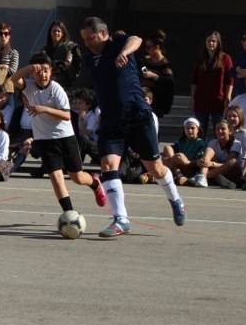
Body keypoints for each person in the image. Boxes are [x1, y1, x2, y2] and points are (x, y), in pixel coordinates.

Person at [79, 16, 185, 237]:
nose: (87, 42)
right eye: (84, 39)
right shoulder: (89, 58)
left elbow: (136, 39)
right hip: (110, 119)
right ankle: (121, 219)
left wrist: (125, 53)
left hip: (137, 115)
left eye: (91, 38)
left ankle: (176, 200)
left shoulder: (117, 42)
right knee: (108, 164)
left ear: (103, 33)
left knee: (154, 168)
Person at [19, 53, 108, 207]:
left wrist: (44, 109)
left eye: (46, 70)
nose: (43, 74)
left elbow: (66, 115)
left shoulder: (56, 89)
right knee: (56, 178)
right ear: (32, 73)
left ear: (51, 71)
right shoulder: (29, 87)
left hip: (65, 137)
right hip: (44, 139)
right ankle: (69, 214)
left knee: (77, 177)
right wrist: (28, 68)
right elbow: (11, 80)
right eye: (38, 71)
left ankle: (95, 182)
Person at [190, 31, 234, 130]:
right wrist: (193, 98)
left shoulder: (225, 58)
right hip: (201, 100)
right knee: (200, 130)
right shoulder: (201, 58)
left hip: (218, 100)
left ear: (218, 43)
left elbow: (230, 79)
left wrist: (228, 96)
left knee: (220, 129)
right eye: (209, 41)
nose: (211, 43)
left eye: (213, 41)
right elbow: (194, 80)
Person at [162, 117, 209, 187]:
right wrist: (172, 158)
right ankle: (178, 176)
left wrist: (187, 162)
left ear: (198, 130)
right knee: (167, 148)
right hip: (179, 166)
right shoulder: (181, 141)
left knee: (176, 157)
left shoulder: (202, 143)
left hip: (192, 168)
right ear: (184, 130)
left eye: (192, 128)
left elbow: (200, 162)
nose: (189, 130)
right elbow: (170, 152)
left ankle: (177, 176)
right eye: (187, 128)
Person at [138, 31, 174, 118]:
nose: (146, 50)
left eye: (148, 47)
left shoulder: (166, 64)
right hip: (143, 99)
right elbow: (141, 72)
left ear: (157, 47)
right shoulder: (144, 61)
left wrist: (154, 76)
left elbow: (169, 82)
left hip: (158, 102)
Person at [203, 120, 244, 189]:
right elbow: (206, 162)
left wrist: (213, 164)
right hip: (217, 171)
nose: (220, 131)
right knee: (208, 153)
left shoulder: (236, 143)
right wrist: (206, 161)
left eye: (223, 129)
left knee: (233, 161)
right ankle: (221, 181)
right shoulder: (212, 143)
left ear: (229, 131)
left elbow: (228, 164)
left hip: (232, 171)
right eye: (217, 129)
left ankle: (204, 176)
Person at [44, 20, 81, 92]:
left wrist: (59, 65)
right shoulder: (45, 50)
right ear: (50, 33)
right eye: (54, 31)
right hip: (47, 85)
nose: (56, 33)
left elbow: (70, 65)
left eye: (58, 31)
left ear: (63, 33)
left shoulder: (71, 47)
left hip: (65, 86)